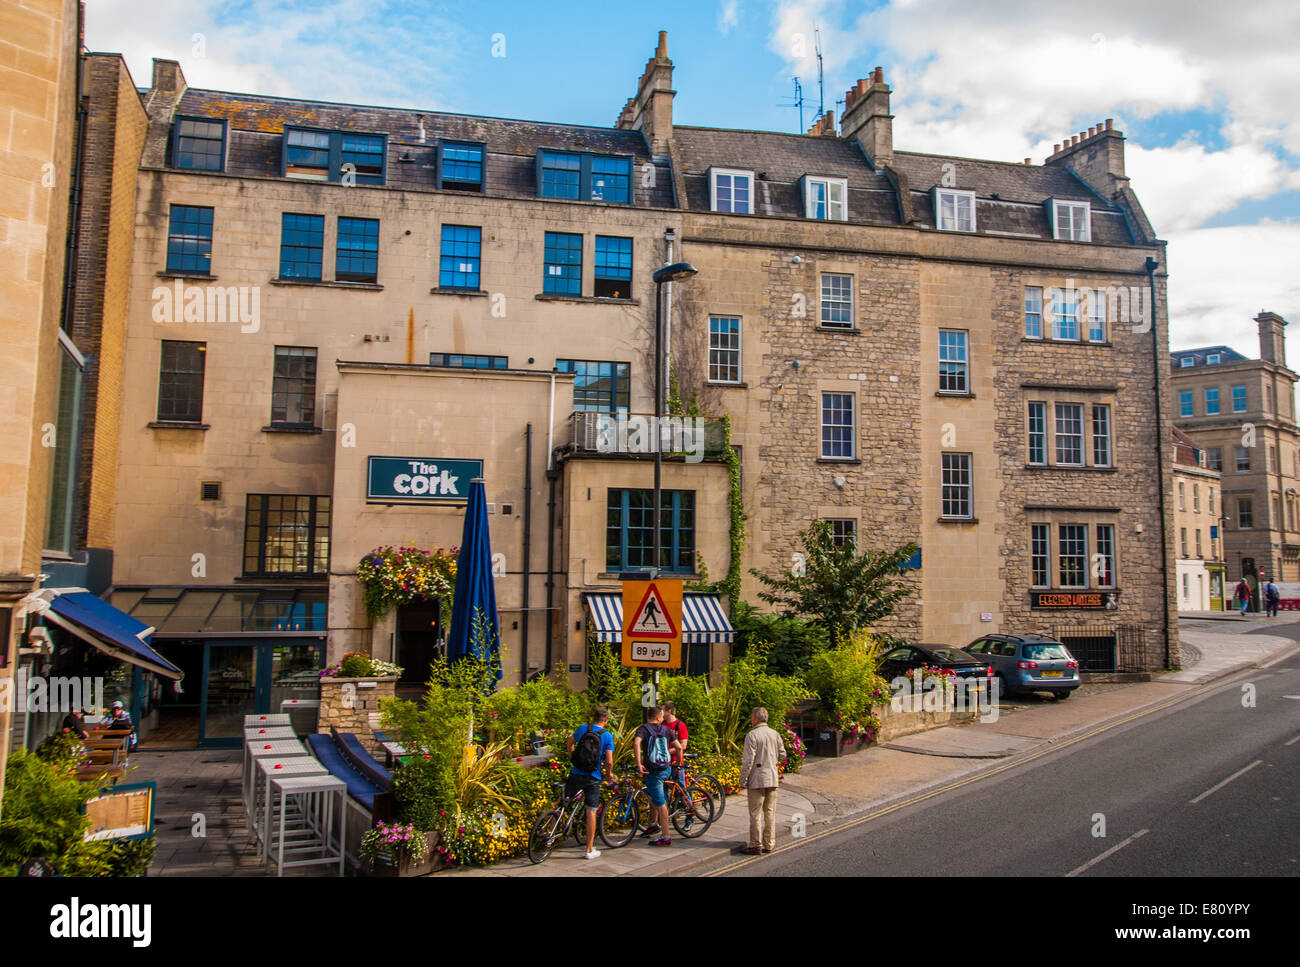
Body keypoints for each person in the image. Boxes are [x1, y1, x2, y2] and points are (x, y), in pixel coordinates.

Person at [565, 707, 615, 860]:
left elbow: (569, 743)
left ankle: (551, 830)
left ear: (593, 718)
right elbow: (609, 761)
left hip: (576, 773)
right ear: (605, 720)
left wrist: (573, 758)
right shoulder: (607, 736)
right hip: (593, 776)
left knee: (563, 802)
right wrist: (608, 774)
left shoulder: (582, 729)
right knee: (591, 811)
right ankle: (589, 849)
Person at [739, 706, 786, 855]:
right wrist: (772, 762)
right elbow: (783, 754)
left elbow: (748, 761)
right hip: (772, 778)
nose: (751, 719)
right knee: (770, 812)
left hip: (757, 779)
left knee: (755, 813)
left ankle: (755, 844)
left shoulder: (752, 735)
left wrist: (743, 779)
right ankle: (769, 844)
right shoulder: (775, 734)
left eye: (752, 717)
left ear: (756, 719)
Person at [634, 705, 683, 848]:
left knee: (660, 803)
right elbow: (679, 748)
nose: (663, 719)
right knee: (653, 795)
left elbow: (636, 743)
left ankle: (666, 836)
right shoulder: (666, 730)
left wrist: (638, 763)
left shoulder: (643, 729)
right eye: (661, 716)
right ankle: (653, 824)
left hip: (654, 771)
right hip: (665, 768)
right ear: (657, 717)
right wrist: (677, 764)